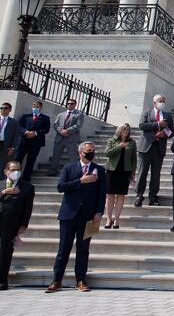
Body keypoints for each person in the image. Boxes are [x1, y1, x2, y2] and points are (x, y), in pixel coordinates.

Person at [45, 141, 106, 293]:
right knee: (63, 248)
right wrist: (80, 181)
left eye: (93, 150)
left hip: (89, 216)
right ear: (80, 152)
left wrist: (99, 213)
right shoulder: (69, 168)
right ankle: (56, 280)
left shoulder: (99, 170)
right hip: (69, 214)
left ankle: (81, 280)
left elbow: (102, 194)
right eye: (88, 150)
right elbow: (61, 187)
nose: (90, 153)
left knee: (83, 249)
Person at [0, 161, 34, 290]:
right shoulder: (1, 185)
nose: (16, 172)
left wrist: (23, 224)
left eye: (18, 170)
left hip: (11, 224)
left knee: (5, 252)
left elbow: (28, 208)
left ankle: (2, 280)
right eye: (13, 169)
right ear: (6, 171)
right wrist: (4, 192)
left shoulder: (27, 187)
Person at [135, 94, 173, 207]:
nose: (162, 103)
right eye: (160, 101)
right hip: (146, 147)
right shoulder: (146, 113)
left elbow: (172, 132)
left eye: (163, 101)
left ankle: (153, 197)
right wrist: (157, 124)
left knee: (156, 174)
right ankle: (139, 195)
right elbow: (142, 125)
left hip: (159, 148)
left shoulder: (167, 116)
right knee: (142, 172)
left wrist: (164, 134)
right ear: (154, 103)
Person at [104, 124, 137, 229]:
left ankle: (117, 219)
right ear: (119, 130)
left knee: (121, 196)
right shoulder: (112, 140)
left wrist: (133, 173)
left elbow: (134, 159)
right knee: (110, 196)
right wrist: (119, 147)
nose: (126, 131)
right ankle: (109, 219)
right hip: (112, 170)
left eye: (128, 129)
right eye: (124, 129)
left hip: (125, 171)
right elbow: (107, 153)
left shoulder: (132, 142)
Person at [15, 100, 50, 182]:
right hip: (24, 141)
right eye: (33, 106)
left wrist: (35, 133)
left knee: (30, 162)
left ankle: (26, 180)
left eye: (37, 107)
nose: (35, 108)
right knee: (18, 159)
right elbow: (19, 126)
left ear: (40, 108)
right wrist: (25, 132)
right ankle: (14, 178)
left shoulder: (45, 118)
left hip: (36, 143)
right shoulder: (26, 116)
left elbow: (46, 129)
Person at [47, 99, 83, 176]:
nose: (70, 105)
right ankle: (52, 171)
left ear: (75, 105)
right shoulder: (60, 115)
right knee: (55, 156)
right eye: (68, 103)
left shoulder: (79, 114)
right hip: (60, 138)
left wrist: (67, 131)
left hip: (71, 139)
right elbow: (55, 124)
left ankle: (74, 173)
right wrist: (61, 131)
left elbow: (78, 125)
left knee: (73, 157)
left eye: (72, 103)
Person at [0, 103, 17, 172]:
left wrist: (13, 147)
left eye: (5, 108)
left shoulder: (14, 122)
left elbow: (16, 136)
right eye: (1, 108)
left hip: (4, 145)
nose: (3, 110)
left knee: (2, 165)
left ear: (10, 110)